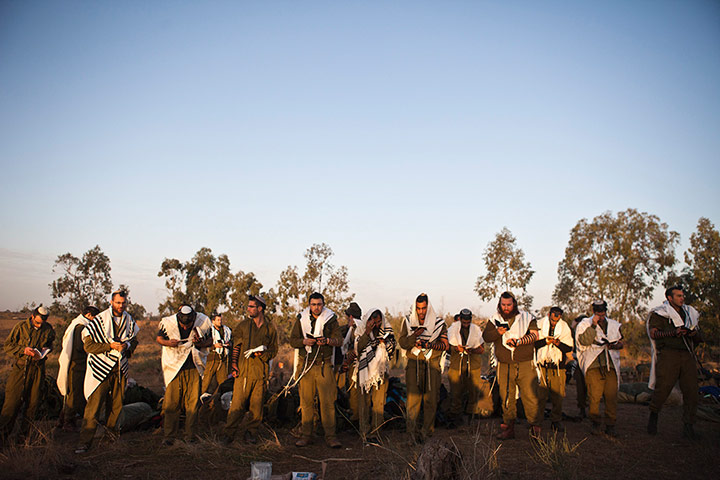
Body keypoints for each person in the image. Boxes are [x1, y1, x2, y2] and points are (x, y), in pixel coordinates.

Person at [76, 290, 139, 453]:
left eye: (123, 303)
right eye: (118, 302)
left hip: (119, 370)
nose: (121, 305)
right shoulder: (100, 320)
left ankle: (111, 438)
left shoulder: (129, 320)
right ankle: (85, 442)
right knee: (93, 408)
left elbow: (134, 340)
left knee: (116, 406)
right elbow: (88, 346)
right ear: (111, 302)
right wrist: (109, 346)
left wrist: (127, 346)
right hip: (100, 369)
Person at [482, 291, 542, 440]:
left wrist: (519, 341)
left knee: (530, 396)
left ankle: (535, 429)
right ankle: (509, 428)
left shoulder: (526, 318)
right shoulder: (494, 319)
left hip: (525, 363)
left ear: (514, 304)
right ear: (499, 304)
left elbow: (535, 335)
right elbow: (486, 337)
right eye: (503, 305)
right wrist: (497, 332)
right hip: (504, 364)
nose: (506, 308)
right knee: (507, 397)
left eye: (509, 305)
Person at [646, 286, 703, 439]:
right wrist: (674, 332)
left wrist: (692, 333)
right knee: (663, 388)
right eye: (678, 296)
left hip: (687, 354)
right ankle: (654, 415)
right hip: (669, 355)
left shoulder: (689, 313)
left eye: (682, 295)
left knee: (691, 391)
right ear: (670, 298)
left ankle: (688, 425)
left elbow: (699, 336)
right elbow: (654, 334)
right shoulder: (660, 313)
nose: (682, 298)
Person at [289, 292, 343, 448]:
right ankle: (307, 435)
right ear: (309, 305)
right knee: (306, 402)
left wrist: (326, 341)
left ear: (323, 304)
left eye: (319, 304)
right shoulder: (302, 319)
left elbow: (338, 340)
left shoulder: (330, 319)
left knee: (327, 403)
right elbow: (293, 341)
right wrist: (304, 341)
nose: (316, 307)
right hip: (307, 365)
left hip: (324, 365)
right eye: (313, 304)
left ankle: (331, 436)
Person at [223, 295, 278, 445]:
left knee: (257, 406)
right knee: (237, 405)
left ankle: (251, 433)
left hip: (260, 373)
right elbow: (236, 346)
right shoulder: (243, 326)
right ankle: (229, 434)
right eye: (248, 306)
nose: (248, 309)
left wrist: (263, 354)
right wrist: (233, 364)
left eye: (251, 307)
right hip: (243, 372)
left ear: (260, 309)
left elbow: (273, 350)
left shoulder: (270, 328)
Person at [156, 305, 213, 445]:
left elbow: (211, 340)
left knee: (193, 404)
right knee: (171, 403)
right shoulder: (168, 323)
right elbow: (159, 338)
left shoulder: (203, 321)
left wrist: (200, 343)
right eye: (183, 324)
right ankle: (169, 436)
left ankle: (190, 436)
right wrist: (168, 343)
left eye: (189, 324)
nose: (186, 327)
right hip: (175, 367)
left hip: (194, 367)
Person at [0, 306, 56, 442]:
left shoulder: (48, 329)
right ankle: (2, 438)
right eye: (37, 322)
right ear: (32, 317)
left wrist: (45, 351)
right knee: (12, 404)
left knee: (33, 404)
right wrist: (23, 350)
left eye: (42, 322)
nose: (40, 324)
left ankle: (23, 438)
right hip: (20, 369)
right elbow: (8, 345)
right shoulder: (21, 327)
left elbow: (50, 344)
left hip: (38, 370)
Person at [397, 293, 448, 443]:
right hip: (414, 362)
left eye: (424, 308)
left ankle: (427, 433)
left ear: (428, 307)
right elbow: (403, 342)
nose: (421, 312)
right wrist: (415, 336)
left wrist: (428, 345)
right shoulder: (407, 321)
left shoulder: (439, 323)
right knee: (413, 399)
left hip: (432, 363)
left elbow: (445, 345)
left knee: (431, 399)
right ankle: (411, 434)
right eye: (418, 308)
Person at [575, 300, 623, 436]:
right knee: (594, 396)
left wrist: (614, 345)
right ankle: (595, 422)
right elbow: (584, 341)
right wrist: (593, 325)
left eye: (602, 312)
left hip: (610, 364)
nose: (601, 315)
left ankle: (610, 424)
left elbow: (621, 342)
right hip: (593, 364)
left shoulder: (613, 324)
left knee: (611, 395)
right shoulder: (584, 324)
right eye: (598, 312)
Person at [354, 307, 396, 442]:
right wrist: (367, 332)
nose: (376, 325)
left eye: (378, 322)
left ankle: (376, 432)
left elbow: (392, 348)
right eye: (373, 322)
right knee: (363, 402)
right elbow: (358, 349)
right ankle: (364, 432)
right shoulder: (360, 330)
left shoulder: (387, 330)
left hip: (380, 371)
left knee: (378, 402)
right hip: (364, 370)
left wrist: (384, 344)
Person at [56, 305, 100, 431]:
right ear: (89, 316)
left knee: (72, 393)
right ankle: (68, 422)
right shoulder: (81, 327)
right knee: (74, 394)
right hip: (77, 366)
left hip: (78, 364)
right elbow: (81, 347)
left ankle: (62, 419)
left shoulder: (77, 324)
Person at [534, 306, 573, 432]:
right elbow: (533, 344)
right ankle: (537, 422)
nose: (555, 321)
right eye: (553, 318)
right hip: (542, 365)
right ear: (549, 315)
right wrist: (545, 342)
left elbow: (568, 348)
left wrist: (558, 344)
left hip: (558, 366)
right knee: (540, 396)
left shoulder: (564, 327)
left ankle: (556, 421)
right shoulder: (539, 324)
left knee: (558, 396)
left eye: (557, 319)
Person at [447, 308, 485, 427]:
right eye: (464, 322)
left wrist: (472, 350)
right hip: (456, 365)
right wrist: (457, 349)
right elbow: (448, 347)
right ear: (460, 319)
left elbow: (482, 349)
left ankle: (470, 418)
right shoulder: (453, 330)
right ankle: (455, 419)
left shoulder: (476, 330)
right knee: (455, 392)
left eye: (468, 322)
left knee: (473, 392)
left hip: (472, 365)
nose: (466, 324)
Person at [336, 302, 362, 423]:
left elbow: (356, 350)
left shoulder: (357, 329)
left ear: (351, 317)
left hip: (356, 363)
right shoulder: (349, 328)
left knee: (354, 389)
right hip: (351, 362)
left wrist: (346, 362)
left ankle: (355, 417)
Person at [201, 312, 233, 398]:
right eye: (218, 320)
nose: (220, 322)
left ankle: (222, 399)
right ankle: (198, 400)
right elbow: (204, 345)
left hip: (223, 359)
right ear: (213, 321)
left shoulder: (226, 330)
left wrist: (229, 344)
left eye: (220, 320)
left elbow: (231, 341)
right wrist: (214, 346)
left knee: (223, 381)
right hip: (212, 358)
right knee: (206, 381)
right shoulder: (209, 331)